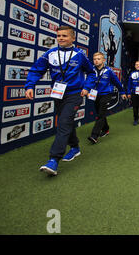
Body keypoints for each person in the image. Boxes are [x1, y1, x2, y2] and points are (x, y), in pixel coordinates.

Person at [25, 25, 96, 176]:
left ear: (73, 38)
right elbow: (36, 70)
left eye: (65, 36)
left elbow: (91, 73)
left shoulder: (80, 54)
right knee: (67, 122)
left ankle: (53, 160)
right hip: (58, 94)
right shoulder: (50, 53)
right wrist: (30, 85)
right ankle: (75, 147)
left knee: (63, 123)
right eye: (59, 36)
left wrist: (87, 87)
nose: (61, 38)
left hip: (75, 94)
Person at [86, 52, 127, 144]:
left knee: (101, 114)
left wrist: (122, 92)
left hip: (106, 94)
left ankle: (94, 135)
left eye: (99, 59)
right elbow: (88, 81)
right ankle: (106, 128)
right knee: (100, 113)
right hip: (95, 94)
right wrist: (87, 91)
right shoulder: (91, 70)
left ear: (103, 60)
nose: (96, 61)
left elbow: (117, 82)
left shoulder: (109, 71)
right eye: (95, 59)